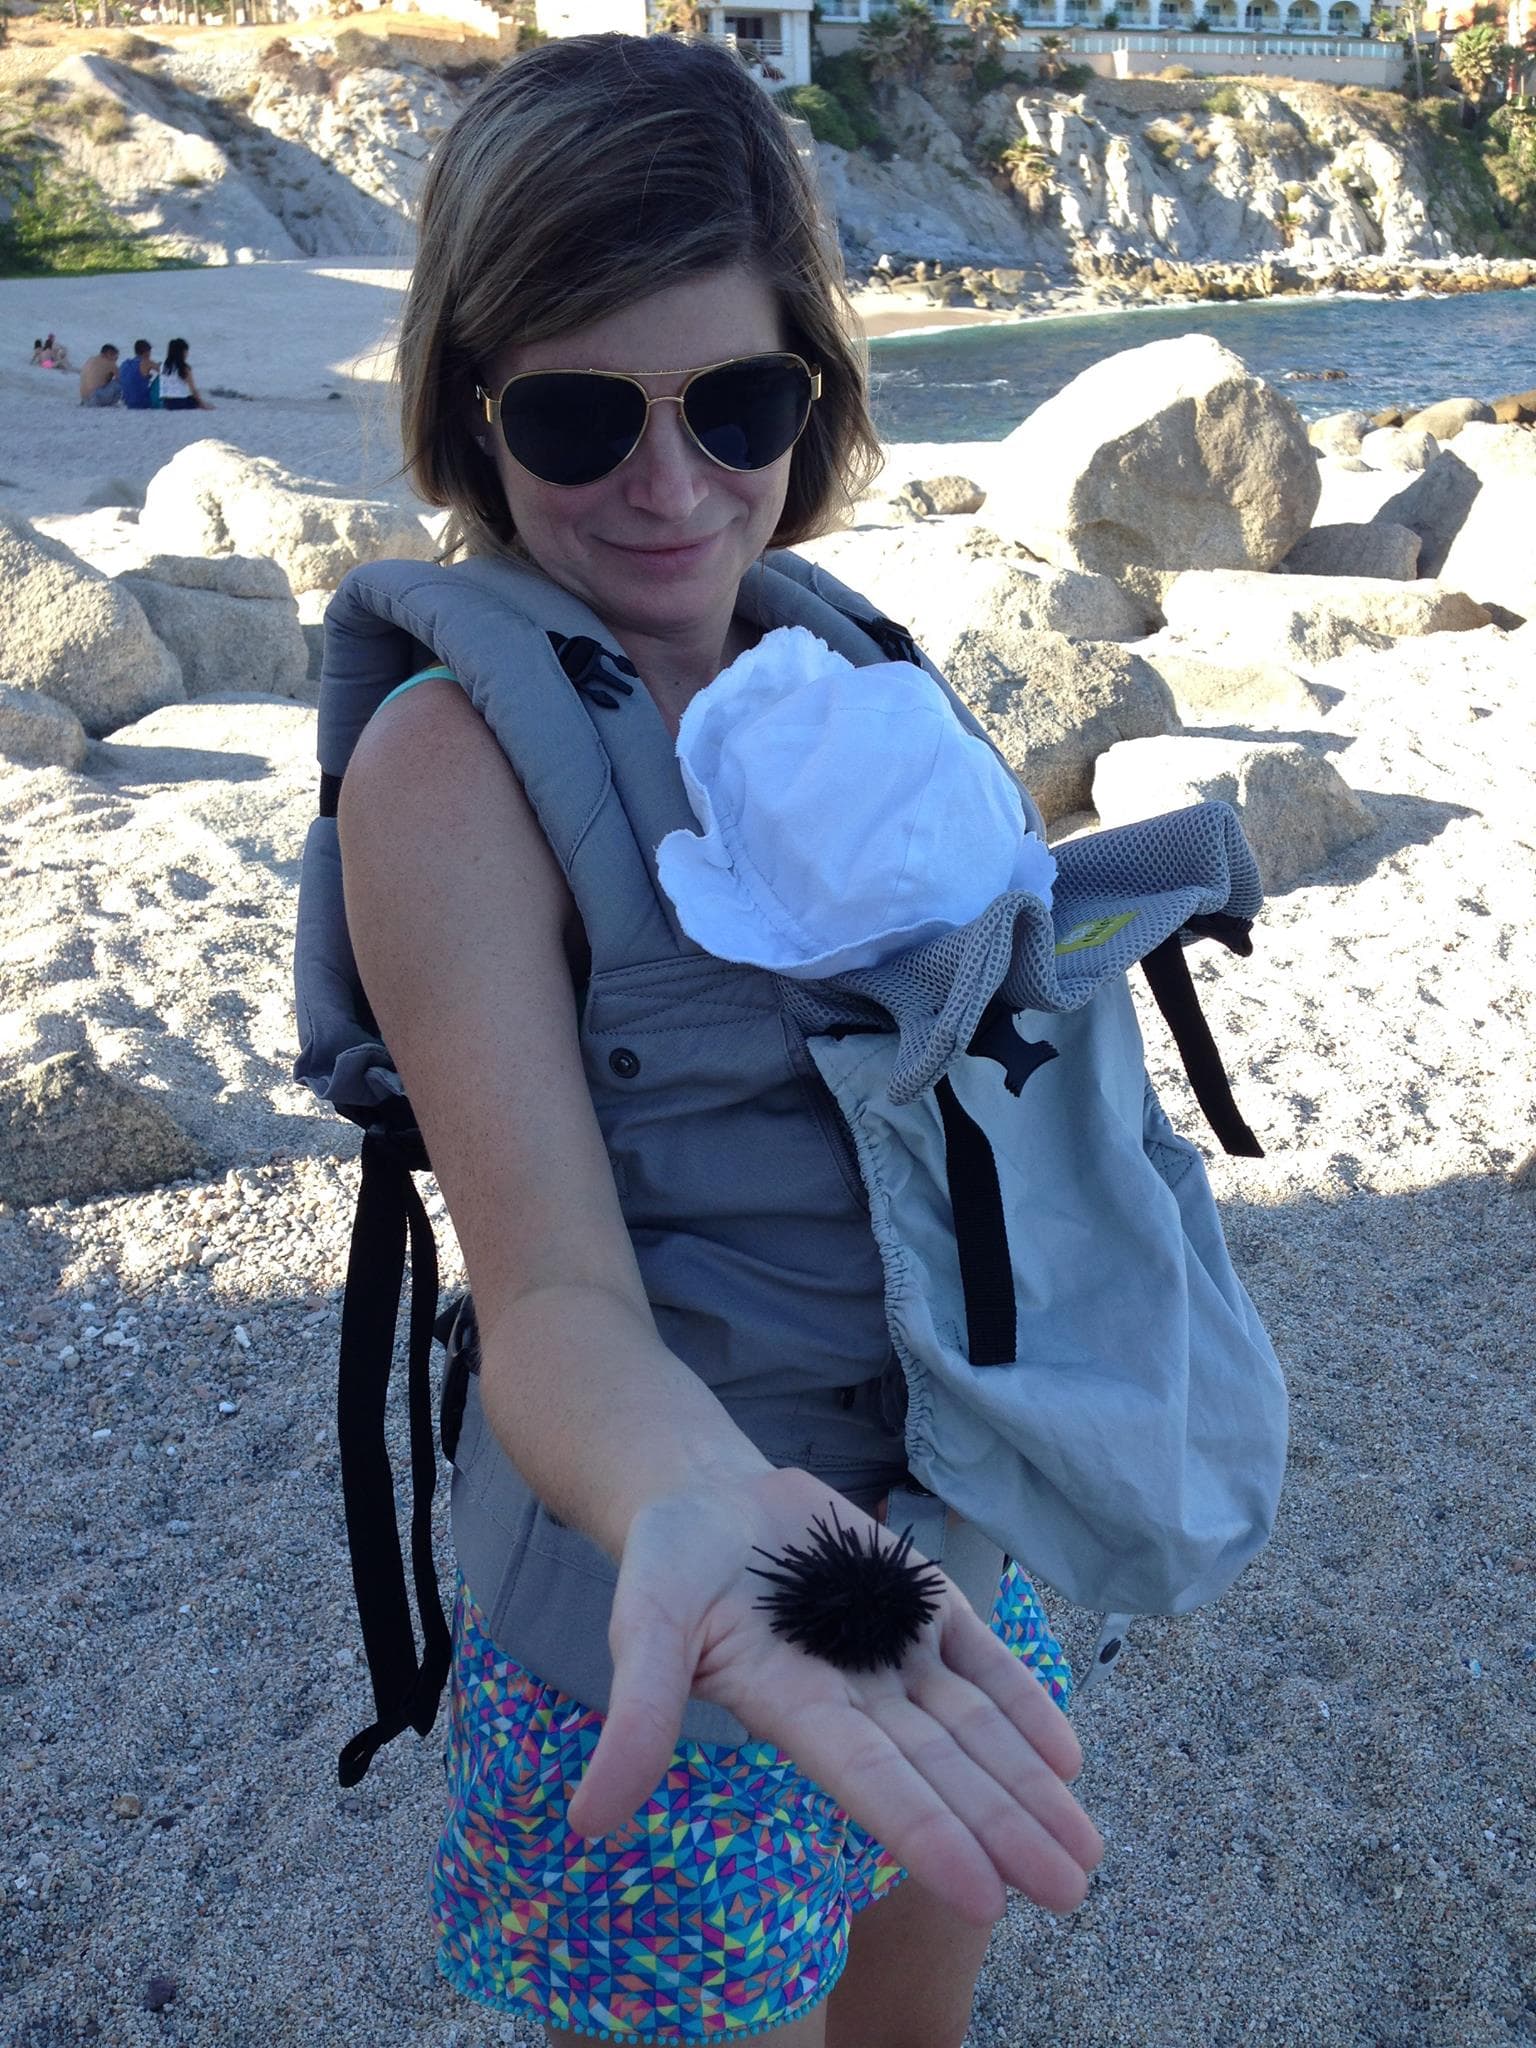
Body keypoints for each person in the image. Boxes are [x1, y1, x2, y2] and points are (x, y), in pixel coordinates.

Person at [334, 34, 1102, 2048]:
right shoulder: (449, 772)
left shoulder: (845, 665)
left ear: (813, 393)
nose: (672, 487)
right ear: (471, 404)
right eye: (580, 415)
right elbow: (552, 1292)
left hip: (940, 1555)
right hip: (671, 1600)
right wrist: (689, 1489)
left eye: (735, 403)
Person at [158, 336, 213, 411]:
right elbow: (193, 390)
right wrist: (202, 403)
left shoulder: (163, 366)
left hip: (167, 403)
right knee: (195, 400)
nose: (187, 354)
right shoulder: (184, 368)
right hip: (180, 402)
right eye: (186, 351)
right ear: (182, 352)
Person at [118, 337, 161, 410]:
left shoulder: (125, 364)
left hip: (128, 402)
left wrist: (147, 376)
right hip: (142, 402)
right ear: (147, 352)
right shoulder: (146, 362)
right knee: (159, 379)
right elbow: (164, 372)